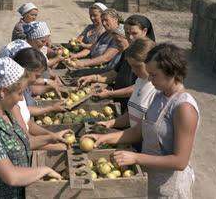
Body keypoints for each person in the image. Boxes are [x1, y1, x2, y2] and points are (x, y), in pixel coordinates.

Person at [83, 43, 199, 198]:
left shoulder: (183, 108)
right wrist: (103, 138)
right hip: (150, 178)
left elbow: (180, 161)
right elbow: (139, 131)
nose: (150, 80)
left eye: (154, 75)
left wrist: (136, 157)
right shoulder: (160, 96)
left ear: (172, 72)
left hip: (170, 187)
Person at [0, 57, 62, 199]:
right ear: (3, 92)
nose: (22, 99)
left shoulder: (7, 114)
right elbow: (11, 176)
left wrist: (53, 137)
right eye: (20, 93)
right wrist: (44, 170)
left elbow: (24, 143)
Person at [78, 14, 156, 113]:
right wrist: (93, 77)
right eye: (127, 33)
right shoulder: (128, 51)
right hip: (124, 105)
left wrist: (111, 94)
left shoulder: (150, 55)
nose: (130, 37)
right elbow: (114, 74)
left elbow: (141, 87)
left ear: (144, 31)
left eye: (134, 33)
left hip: (138, 107)